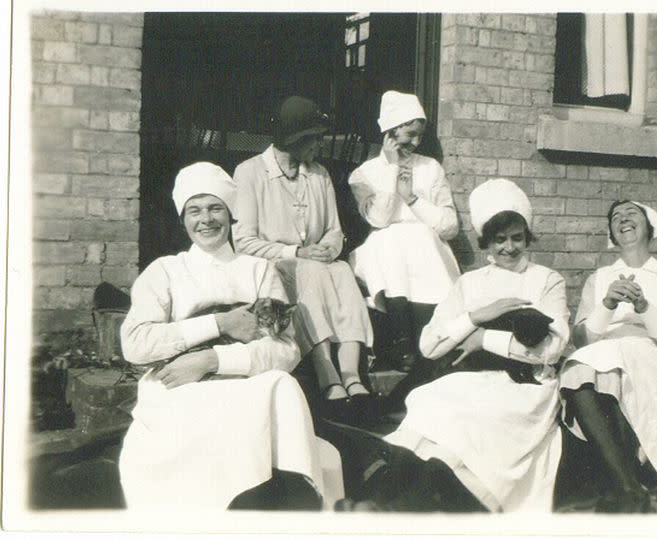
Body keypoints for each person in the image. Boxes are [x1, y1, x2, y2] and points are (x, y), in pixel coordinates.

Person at [118, 162, 344, 511]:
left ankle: (291, 503)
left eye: (215, 208)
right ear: (183, 218)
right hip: (181, 385)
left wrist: (215, 359)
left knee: (282, 387)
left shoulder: (258, 269)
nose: (205, 219)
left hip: (244, 379)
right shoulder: (165, 270)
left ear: (230, 214)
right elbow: (135, 344)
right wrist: (219, 325)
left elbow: (285, 349)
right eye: (194, 210)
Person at [339, 179, 569, 512]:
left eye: (517, 238)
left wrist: (484, 339)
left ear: (527, 237)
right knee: (431, 404)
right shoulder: (470, 283)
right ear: (486, 242)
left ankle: (405, 506)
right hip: (469, 378)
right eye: (499, 239)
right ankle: (377, 502)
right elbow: (430, 346)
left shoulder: (547, 280)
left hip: (525, 385)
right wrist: (477, 316)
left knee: (464, 421)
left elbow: (553, 349)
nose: (508, 248)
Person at [558, 200, 657, 512]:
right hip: (603, 355)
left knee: (608, 363)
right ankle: (627, 485)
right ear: (612, 233)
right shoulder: (599, 277)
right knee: (578, 369)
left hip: (653, 356)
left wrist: (643, 308)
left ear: (649, 227)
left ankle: (619, 482)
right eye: (615, 217)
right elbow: (580, 339)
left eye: (631, 213)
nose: (623, 219)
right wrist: (608, 304)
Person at [233, 96, 374, 416]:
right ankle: (327, 373)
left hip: (316, 264)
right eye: (315, 139)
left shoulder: (320, 175)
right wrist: (296, 251)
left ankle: (351, 374)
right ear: (295, 139)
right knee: (310, 270)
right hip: (274, 265)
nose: (320, 147)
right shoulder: (250, 173)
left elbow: (334, 230)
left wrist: (329, 248)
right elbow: (243, 241)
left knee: (340, 271)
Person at [348, 90, 460, 372]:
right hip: (385, 248)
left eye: (420, 135)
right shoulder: (363, 173)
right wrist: (391, 172)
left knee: (415, 238)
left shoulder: (431, 168)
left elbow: (450, 225)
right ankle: (402, 340)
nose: (416, 142)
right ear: (391, 130)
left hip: (427, 248)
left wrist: (412, 200)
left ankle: (427, 340)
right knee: (389, 239)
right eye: (410, 133)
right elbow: (379, 219)